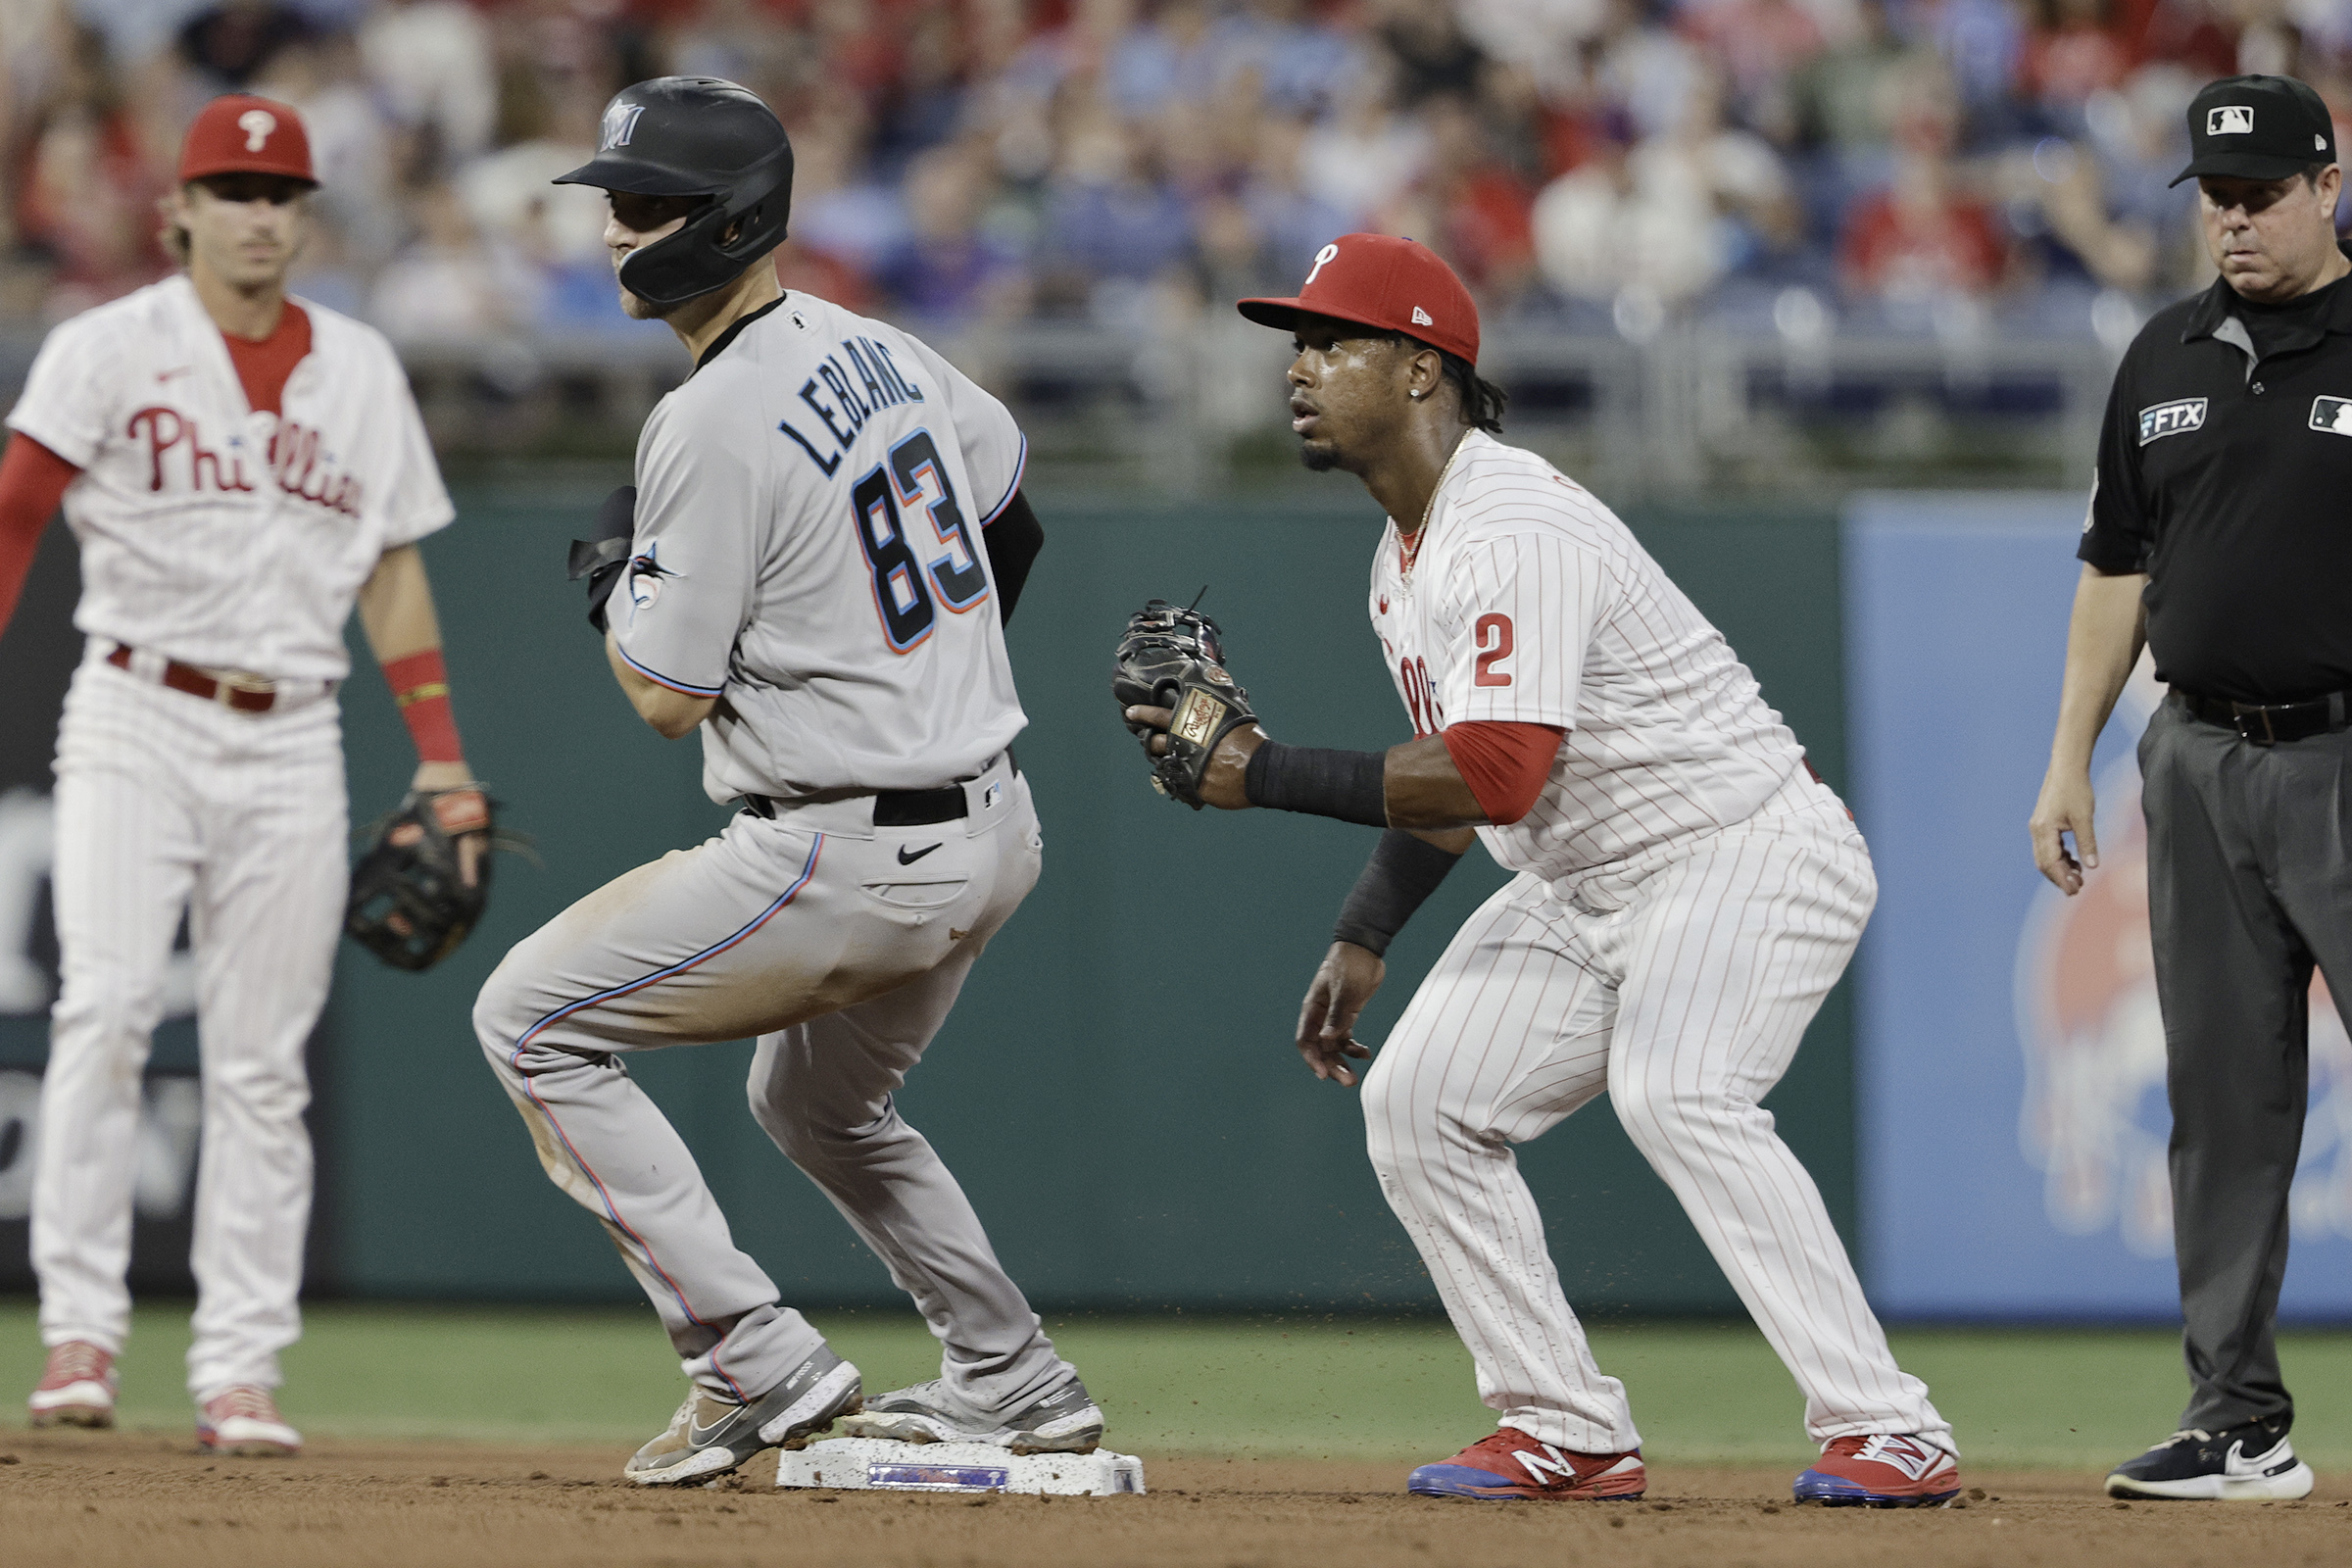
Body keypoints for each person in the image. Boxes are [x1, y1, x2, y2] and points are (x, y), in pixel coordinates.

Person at [1123, 232, 1959, 1506]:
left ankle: (1890, 1424)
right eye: (1298, 344)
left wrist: (1262, 768)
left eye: (1333, 341)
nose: (1301, 368)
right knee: (1417, 1102)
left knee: (1680, 1091)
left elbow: (1498, 772)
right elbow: (1457, 784)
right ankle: (1563, 1422)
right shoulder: (1400, 560)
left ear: (1418, 368)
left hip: (1738, 848)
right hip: (1588, 883)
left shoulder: (1508, 522)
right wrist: (1367, 930)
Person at [470, 76, 1090, 1488]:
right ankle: (1013, 1376)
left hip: (840, 856)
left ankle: (748, 1360)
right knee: (814, 1107)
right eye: (612, 204)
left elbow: (660, 696)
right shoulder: (887, 349)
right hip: (993, 824)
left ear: (728, 219)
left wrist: (608, 588)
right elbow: (1015, 523)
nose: (616, 232)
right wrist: (901, 672)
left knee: (530, 1020)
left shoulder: (712, 415)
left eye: (643, 208)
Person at [0, 94, 486, 1454]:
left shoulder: (362, 370)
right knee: (101, 1013)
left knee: (262, 1065)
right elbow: (18, 507)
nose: (256, 214)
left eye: (278, 195)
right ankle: (81, 1336)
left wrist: (441, 757)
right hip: (136, 709)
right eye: (230, 190)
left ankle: (237, 1370)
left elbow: (392, 570)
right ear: (180, 211)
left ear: (304, 216)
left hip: (292, 731)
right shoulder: (109, 346)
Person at [2029, 73, 2346, 1504]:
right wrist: (2071, 759)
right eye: (2216, 197)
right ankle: (2238, 1422)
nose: (2233, 219)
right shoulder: (2162, 355)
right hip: (2198, 757)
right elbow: (2115, 566)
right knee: (2222, 1099)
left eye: (2261, 193)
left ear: (2328, 186)